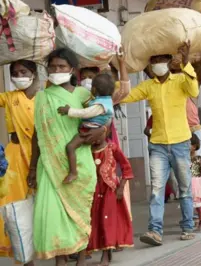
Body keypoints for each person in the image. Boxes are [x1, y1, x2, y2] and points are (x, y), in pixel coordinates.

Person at [27, 48, 107, 266]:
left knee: (81, 213)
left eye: (61, 66)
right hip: (51, 166)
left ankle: (81, 259)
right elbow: (37, 134)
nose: (56, 70)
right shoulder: (42, 97)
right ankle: (60, 261)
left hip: (80, 163)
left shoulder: (84, 95)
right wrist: (33, 168)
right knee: (52, 217)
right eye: (52, 67)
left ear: (72, 69)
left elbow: (103, 122)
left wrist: (99, 133)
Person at [121, 41, 198, 245]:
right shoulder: (148, 86)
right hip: (158, 146)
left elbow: (194, 91)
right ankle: (155, 231)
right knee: (157, 189)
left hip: (181, 143)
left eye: (160, 60)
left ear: (169, 61)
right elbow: (126, 96)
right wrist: (119, 68)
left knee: (185, 188)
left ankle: (188, 225)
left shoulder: (181, 80)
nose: (157, 64)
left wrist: (187, 61)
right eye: (153, 61)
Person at [0, 60, 39, 266]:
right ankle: (25, 259)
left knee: (43, 205)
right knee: (14, 207)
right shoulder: (9, 97)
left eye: (23, 72)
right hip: (14, 158)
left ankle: (58, 248)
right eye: (14, 73)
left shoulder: (44, 97)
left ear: (33, 73)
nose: (18, 76)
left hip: (41, 156)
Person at [57, 73, 114, 184]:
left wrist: (69, 111)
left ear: (93, 89)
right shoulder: (106, 101)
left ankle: (73, 172)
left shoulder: (100, 105)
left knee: (70, 147)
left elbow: (86, 113)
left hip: (89, 132)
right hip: (93, 130)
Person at [87, 132, 134, 266]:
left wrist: (121, 188)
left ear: (105, 132)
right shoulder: (87, 150)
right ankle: (98, 249)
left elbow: (126, 167)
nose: (94, 139)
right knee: (95, 221)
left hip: (110, 190)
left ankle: (106, 254)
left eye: (97, 135)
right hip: (94, 191)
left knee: (107, 221)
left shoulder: (112, 148)